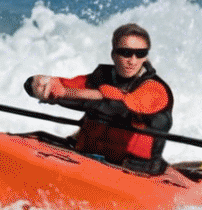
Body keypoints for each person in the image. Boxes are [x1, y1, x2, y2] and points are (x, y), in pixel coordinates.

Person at [22, 23, 173, 173]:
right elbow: (73, 85)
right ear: (113, 54)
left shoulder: (155, 89)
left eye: (140, 53)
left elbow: (117, 101)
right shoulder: (101, 76)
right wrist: (45, 83)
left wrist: (65, 93)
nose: (132, 61)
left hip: (134, 168)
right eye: (125, 52)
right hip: (86, 154)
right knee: (36, 137)